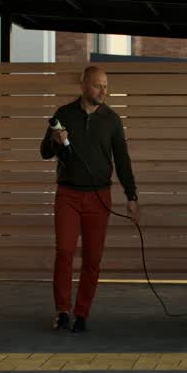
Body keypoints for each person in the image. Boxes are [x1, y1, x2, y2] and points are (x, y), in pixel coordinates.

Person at [40, 66, 140, 332]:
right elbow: (44, 152)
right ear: (83, 84)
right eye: (98, 85)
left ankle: (82, 313)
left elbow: (122, 159)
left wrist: (131, 195)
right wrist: (55, 141)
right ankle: (62, 311)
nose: (103, 91)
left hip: (99, 196)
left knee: (93, 258)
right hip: (68, 194)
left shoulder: (112, 119)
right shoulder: (64, 114)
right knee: (64, 252)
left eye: (105, 86)